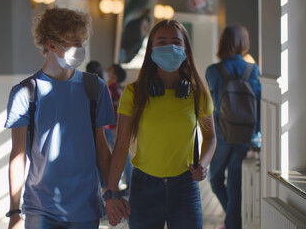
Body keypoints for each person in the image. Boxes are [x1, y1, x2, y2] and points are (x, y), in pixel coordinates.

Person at [4, 6, 115, 229]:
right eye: (73, 43)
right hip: (40, 208)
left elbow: (102, 147)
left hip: (85, 207)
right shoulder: (25, 93)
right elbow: (18, 154)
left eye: (82, 42)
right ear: (51, 44)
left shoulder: (94, 88)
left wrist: (112, 193)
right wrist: (15, 211)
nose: (80, 48)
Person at [105, 19, 217, 228]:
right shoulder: (134, 94)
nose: (169, 47)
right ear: (151, 49)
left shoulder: (197, 94)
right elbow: (120, 146)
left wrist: (203, 163)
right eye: (162, 42)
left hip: (185, 188)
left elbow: (210, 137)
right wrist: (111, 193)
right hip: (144, 188)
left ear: (185, 49)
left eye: (176, 42)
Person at [206, 24, 261, 229]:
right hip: (245, 135)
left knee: (215, 179)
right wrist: (255, 134)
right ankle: (232, 223)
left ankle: (232, 222)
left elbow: (213, 105)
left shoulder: (213, 71)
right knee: (235, 184)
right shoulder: (253, 70)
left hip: (221, 134)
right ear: (244, 43)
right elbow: (259, 103)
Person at [104, 64, 131, 192]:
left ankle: (129, 184)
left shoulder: (116, 89)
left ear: (115, 74)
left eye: (110, 70)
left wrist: (118, 126)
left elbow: (122, 109)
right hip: (109, 128)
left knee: (122, 156)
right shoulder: (109, 87)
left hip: (114, 128)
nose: (108, 72)